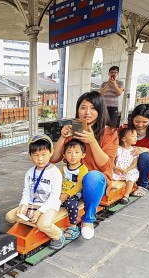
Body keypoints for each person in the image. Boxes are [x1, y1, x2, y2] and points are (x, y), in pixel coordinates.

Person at [51, 91, 118, 240]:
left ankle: (88, 220)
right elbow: (54, 159)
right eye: (83, 107)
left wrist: (92, 141)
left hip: (94, 182)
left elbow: (105, 165)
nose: (87, 112)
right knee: (50, 171)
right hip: (72, 181)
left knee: (92, 176)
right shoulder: (74, 129)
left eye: (93, 108)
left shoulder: (110, 132)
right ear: (78, 110)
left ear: (100, 110)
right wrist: (62, 137)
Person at [5, 135, 65, 250]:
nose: (40, 159)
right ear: (30, 155)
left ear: (51, 152)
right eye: (35, 155)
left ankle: (58, 235)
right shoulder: (29, 172)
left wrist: (40, 212)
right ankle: (35, 223)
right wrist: (23, 204)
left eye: (44, 154)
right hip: (33, 204)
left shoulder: (55, 173)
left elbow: (54, 197)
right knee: (9, 217)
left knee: (43, 224)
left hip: (50, 205)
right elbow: (26, 192)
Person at [123, 104, 149, 197]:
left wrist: (146, 150)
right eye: (137, 121)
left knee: (145, 156)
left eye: (145, 122)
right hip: (125, 161)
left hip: (143, 162)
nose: (140, 125)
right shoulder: (124, 129)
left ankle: (142, 185)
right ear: (132, 119)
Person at [58, 139, 88, 241]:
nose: (73, 155)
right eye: (69, 152)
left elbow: (79, 185)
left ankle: (73, 227)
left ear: (83, 155)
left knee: (71, 205)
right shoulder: (63, 168)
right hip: (62, 192)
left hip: (75, 193)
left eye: (76, 152)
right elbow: (57, 180)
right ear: (64, 155)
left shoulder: (82, 169)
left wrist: (66, 194)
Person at [112, 127, 139, 204]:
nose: (136, 138)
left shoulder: (134, 150)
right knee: (109, 175)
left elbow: (134, 163)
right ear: (123, 139)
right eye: (133, 136)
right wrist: (116, 168)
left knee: (130, 178)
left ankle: (126, 195)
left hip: (129, 170)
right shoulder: (117, 149)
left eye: (136, 136)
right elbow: (112, 161)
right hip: (118, 169)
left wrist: (127, 170)